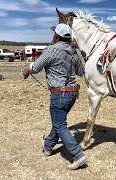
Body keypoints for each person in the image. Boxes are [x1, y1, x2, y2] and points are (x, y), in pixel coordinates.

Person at [22, 23, 86, 170]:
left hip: (59, 94)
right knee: (59, 121)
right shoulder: (74, 52)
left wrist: (27, 70)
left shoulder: (50, 50)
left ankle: (78, 155)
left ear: (56, 35)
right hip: (72, 93)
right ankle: (48, 146)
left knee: (60, 125)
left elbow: (36, 67)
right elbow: (80, 71)